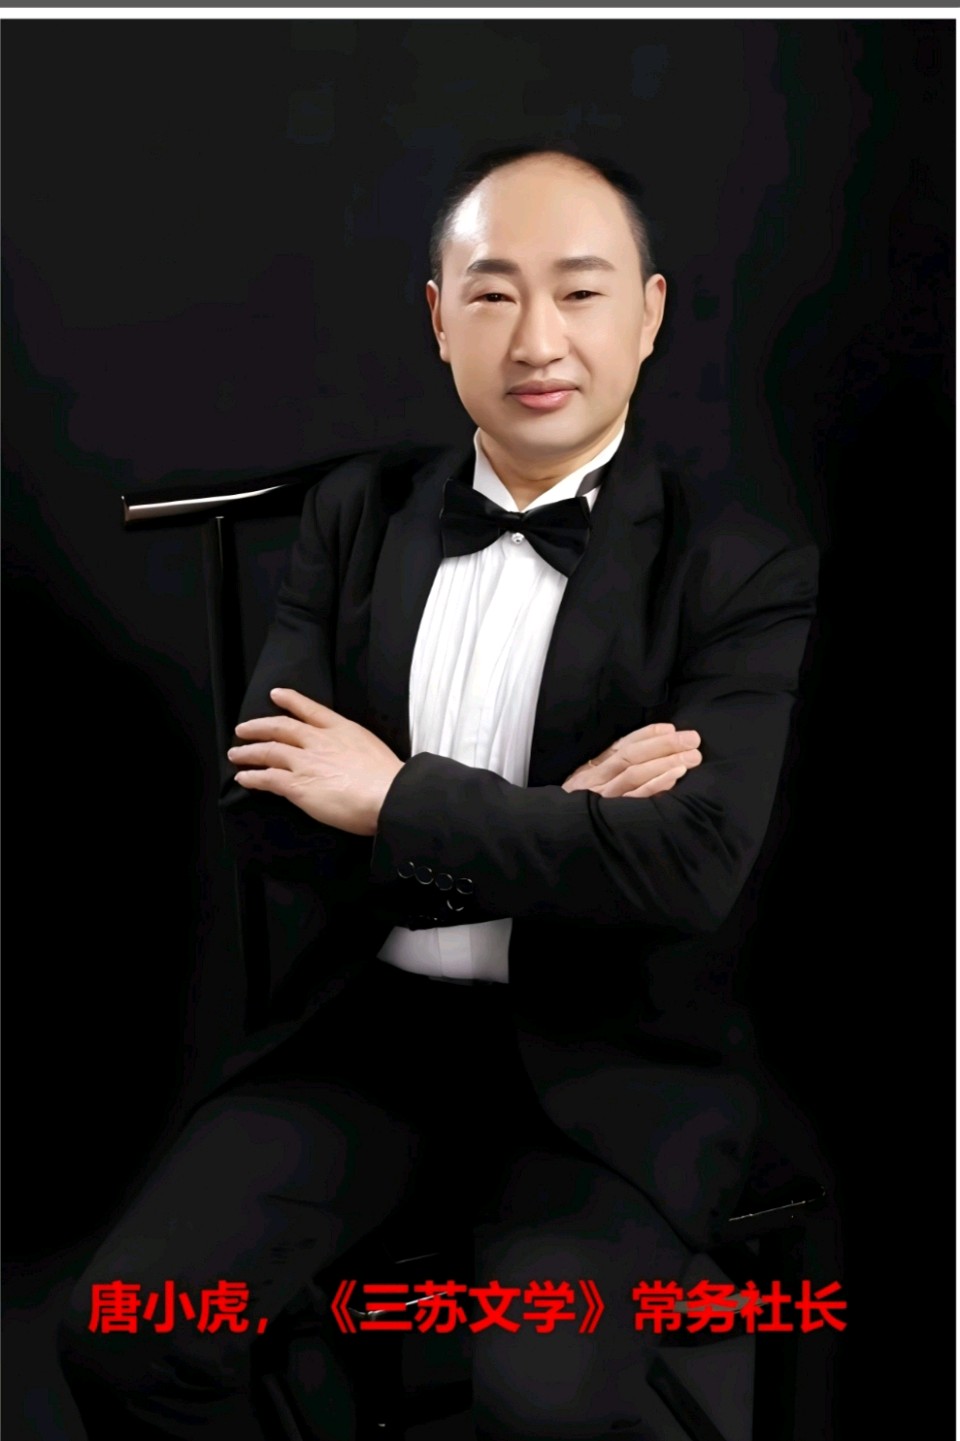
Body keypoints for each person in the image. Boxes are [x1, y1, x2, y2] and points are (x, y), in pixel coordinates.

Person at [58, 144, 819, 1440]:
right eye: (492, 292)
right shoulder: (357, 515)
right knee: (127, 1331)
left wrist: (393, 797)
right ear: (437, 316)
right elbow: (269, 815)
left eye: (580, 292)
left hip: (611, 1067)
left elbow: (690, 866)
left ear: (647, 315)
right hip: (368, 1034)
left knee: (543, 1398)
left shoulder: (739, 562)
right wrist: (563, 820)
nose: (537, 338)